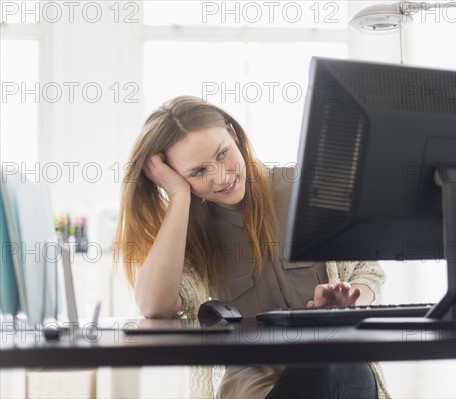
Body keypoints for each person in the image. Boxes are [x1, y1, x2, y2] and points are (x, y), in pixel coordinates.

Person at [115, 96, 390, 398]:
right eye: (197, 173)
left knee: (334, 363)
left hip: (339, 364)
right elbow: (154, 306)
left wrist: (349, 301)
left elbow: (368, 271)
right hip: (257, 383)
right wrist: (179, 195)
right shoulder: (189, 233)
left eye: (222, 154)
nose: (222, 177)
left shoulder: (304, 187)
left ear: (234, 134)